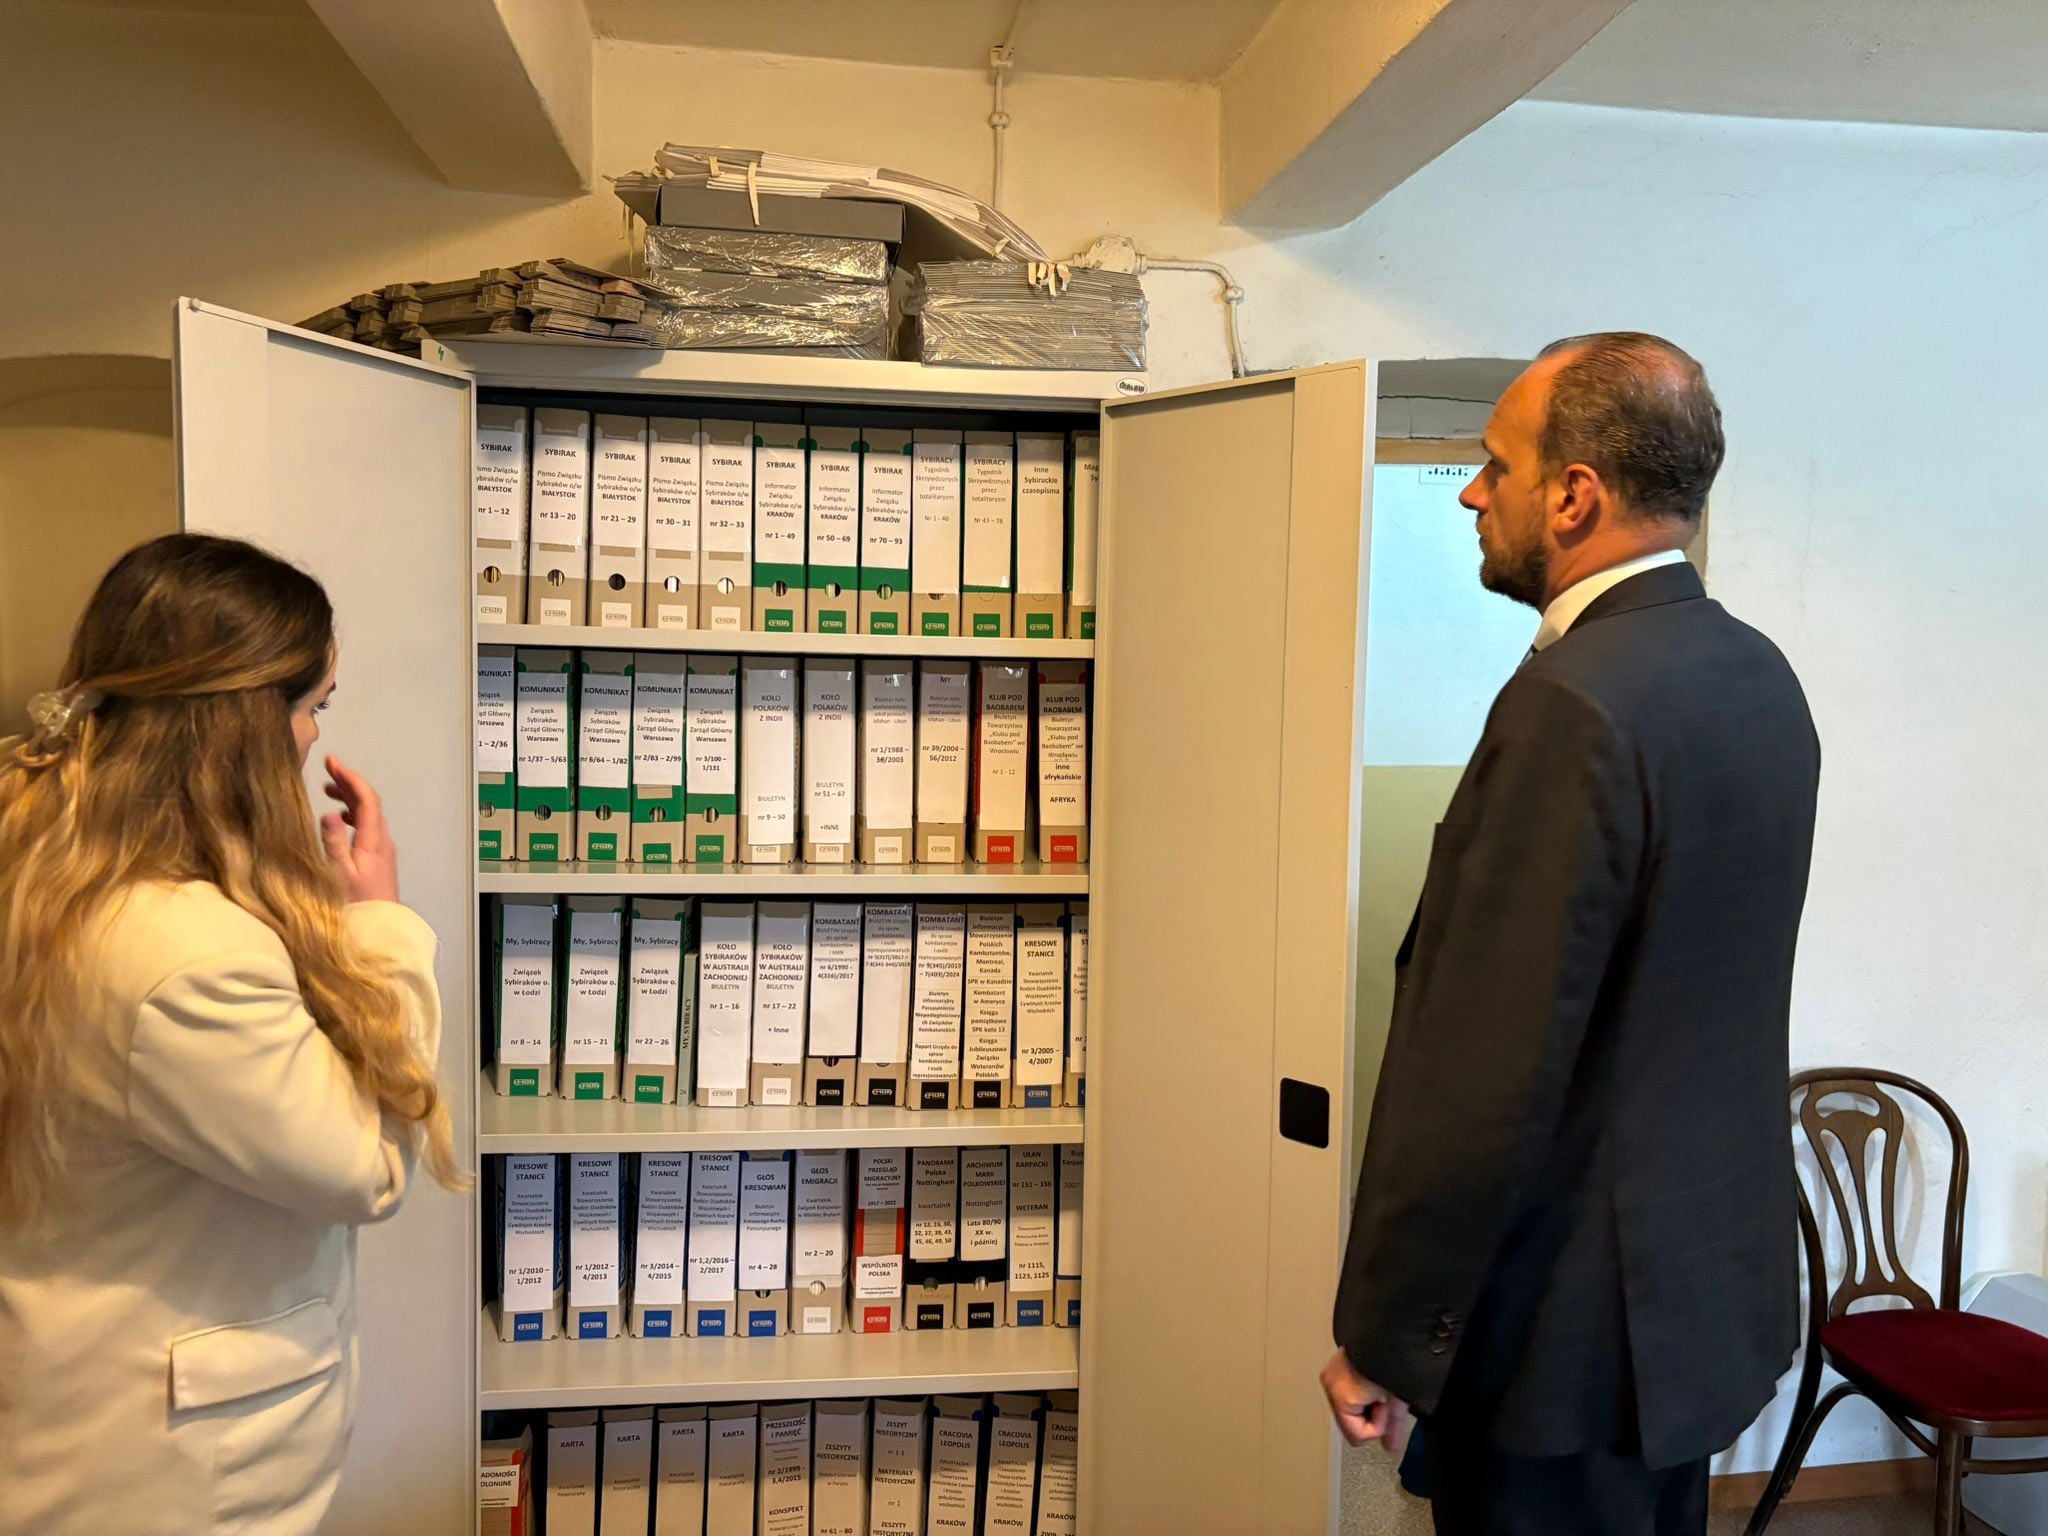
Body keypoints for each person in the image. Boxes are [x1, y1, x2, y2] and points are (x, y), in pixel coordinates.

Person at [1322, 334, 1820, 1534]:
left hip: (1567, 1336)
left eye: (1494, 464)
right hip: (1692, 1308)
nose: (1471, 492)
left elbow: (1481, 1074)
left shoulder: (1572, 705)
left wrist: (1386, 1334)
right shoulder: (1755, 673)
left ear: (1573, 495)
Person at [0, 533, 463, 1536]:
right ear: (245, 726)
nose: (313, 737)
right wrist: (380, 922)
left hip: (79, 1413)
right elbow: (367, 1168)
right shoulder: (186, 957)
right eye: (312, 707)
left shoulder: (43, 869)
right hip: (161, 1478)